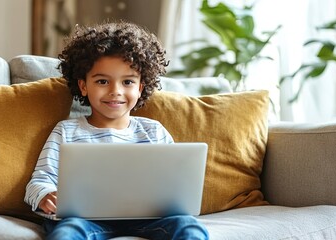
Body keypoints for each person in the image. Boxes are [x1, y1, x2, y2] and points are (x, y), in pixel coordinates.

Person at [24, 22, 209, 240]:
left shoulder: (154, 131)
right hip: (85, 220)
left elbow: (178, 184)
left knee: (189, 227)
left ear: (140, 88)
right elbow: (39, 180)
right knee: (67, 232)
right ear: (83, 86)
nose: (115, 92)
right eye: (102, 81)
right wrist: (45, 195)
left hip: (151, 219)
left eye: (128, 82)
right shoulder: (67, 131)